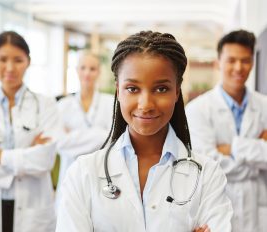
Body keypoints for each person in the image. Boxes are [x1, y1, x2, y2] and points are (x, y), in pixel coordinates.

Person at [55, 31, 233, 232]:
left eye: (161, 89)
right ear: (118, 90)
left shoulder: (207, 175)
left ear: (177, 91)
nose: (146, 104)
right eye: (132, 88)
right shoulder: (83, 173)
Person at [0, 31, 60, 232]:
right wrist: (21, 165)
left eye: (18, 60)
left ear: (28, 62)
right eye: (2, 59)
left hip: (32, 212)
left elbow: (44, 160)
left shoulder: (46, 105)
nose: (10, 68)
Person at [186, 29, 267, 232]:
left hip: (259, 210)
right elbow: (207, 164)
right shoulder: (198, 110)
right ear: (218, 63)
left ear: (252, 63)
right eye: (231, 60)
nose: (239, 67)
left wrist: (232, 148)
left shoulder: (264, 106)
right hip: (218, 207)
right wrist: (257, 154)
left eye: (245, 60)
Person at [56, 51, 114, 203]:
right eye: (83, 68)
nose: (87, 73)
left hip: (100, 173)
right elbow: (60, 143)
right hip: (70, 173)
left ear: (99, 72)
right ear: (76, 70)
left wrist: (73, 135)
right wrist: (99, 134)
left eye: (92, 69)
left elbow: (112, 140)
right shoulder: (63, 105)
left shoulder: (111, 103)